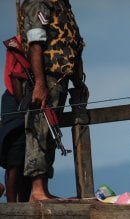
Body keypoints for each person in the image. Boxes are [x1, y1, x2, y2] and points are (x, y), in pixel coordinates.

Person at [20, 0, 87, 202]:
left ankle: (44, 190)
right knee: (40, 129)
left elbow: (72, 45)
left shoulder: (62, 5)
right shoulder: (39, 2)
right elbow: (35, 43)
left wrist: (78, 82)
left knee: (51, 133)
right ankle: (37, 190)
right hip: (46, 77)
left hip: (60, 78)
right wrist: (40, 83)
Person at [0, 36, 30, 202]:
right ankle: (13, 205)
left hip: (18, 102)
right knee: (15, 157)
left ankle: (21, 202)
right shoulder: (22, 43)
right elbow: (15, 76)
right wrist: (23, 105)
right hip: (16, 102)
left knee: (24, 158)